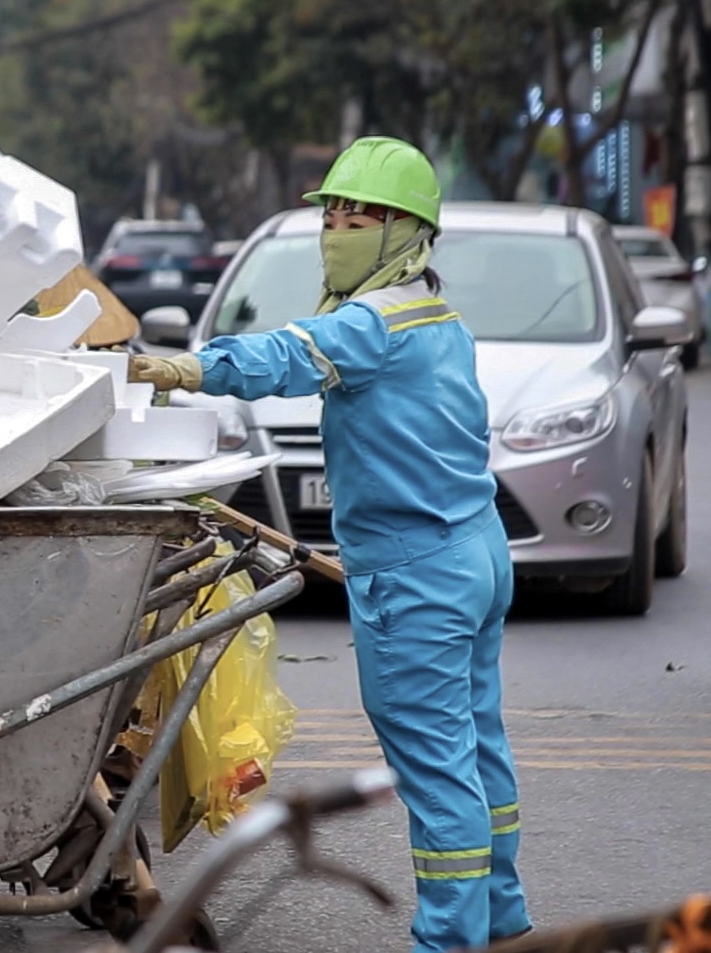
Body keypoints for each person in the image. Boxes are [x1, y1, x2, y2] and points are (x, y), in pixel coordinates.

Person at [130, 137, 531, 953]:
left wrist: (182, 370)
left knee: (433, 761)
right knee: (477, 745)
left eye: (359, 218)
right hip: (474, 552)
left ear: (404, 230)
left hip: (418, 573)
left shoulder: (372, 322)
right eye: (332, 217)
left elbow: (287, 356)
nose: (337, 232)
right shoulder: (435, 314)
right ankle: (503, 917)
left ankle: (450, 940)